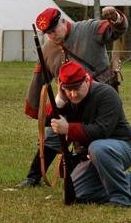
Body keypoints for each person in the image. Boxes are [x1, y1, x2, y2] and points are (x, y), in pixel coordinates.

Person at [16, 6, 128, 188]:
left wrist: (115, 17)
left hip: (101, 99)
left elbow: (116, 31)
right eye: (48, 33)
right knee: (53, 134)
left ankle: (106, 173)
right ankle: (33, 177)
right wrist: (35, 109)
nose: (52, 35)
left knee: (100, 138)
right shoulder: (47, 49)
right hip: (71, 103)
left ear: (62, 21)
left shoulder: (88, 29)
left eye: (54, 30)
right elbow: (40, 77)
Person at [49, 60, 131, 206]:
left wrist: (68, 129)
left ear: (87, 80)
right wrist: (59, 101)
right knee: (78, 194)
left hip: (121, 147)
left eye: (77, 88)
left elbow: (101, 130)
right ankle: (122, 183)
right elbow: (46, 122)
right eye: (68, 90)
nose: (73, 94)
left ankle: (121, 199)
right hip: (93, 156)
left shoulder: (107, 94)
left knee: (98, 148)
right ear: (62, 88)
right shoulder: (66, 99)